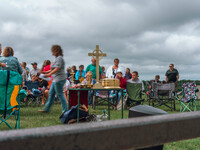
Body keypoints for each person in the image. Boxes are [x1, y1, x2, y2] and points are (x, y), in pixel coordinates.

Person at [39, 45, 68, 113]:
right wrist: (44, 72)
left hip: (59, 79)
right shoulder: (56, 59)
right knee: (51, 94)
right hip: (55, 79)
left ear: (56, 51)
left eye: (53, 50)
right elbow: (53, 68)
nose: (52, 52)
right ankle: (46, 109)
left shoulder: (59, 58)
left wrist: (48, 75)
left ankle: (65, 110)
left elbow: (57, 69)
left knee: (60, 94)